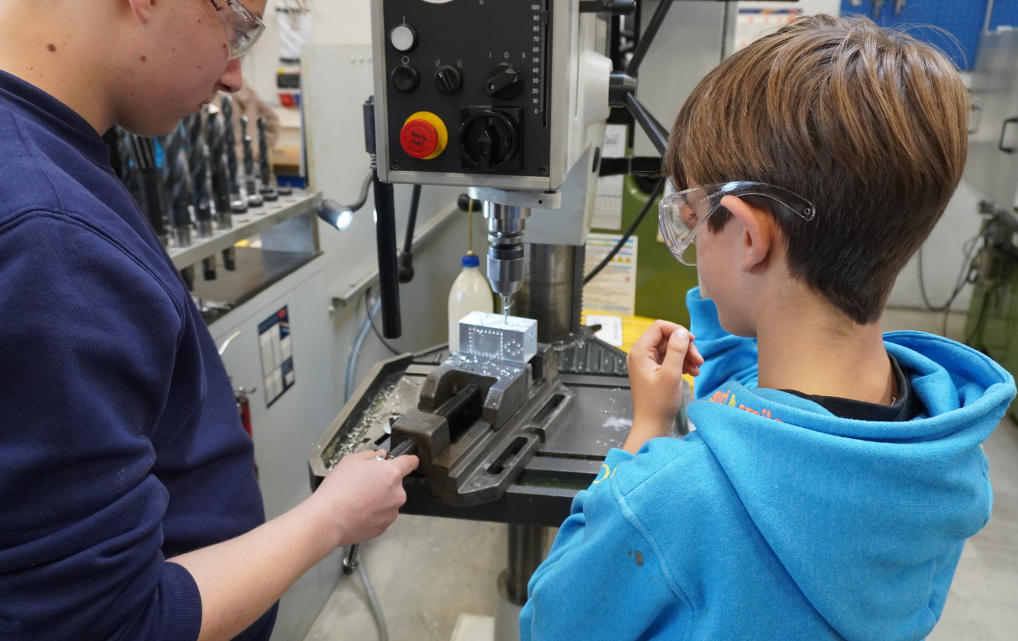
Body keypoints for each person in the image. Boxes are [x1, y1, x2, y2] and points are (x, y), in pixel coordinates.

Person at [521, 14, 1016, 641]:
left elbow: (550, 623)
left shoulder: (672, 501)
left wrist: (646, 433)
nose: (691, 240)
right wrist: (725, 304)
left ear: (749, 236)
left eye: (695, 220)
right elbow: (780, 415)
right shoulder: (941, 454)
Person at [0, 2, 417, 641]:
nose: (233, 76)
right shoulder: (48, 232)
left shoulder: (47, 154)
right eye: (241, 25)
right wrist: (331, 518)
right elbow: (115, 625)